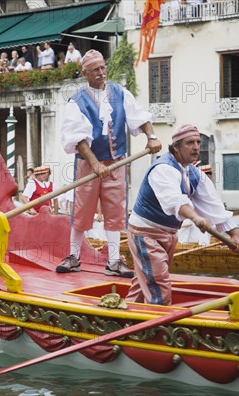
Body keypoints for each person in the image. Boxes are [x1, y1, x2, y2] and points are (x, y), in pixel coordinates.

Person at [56, 49, 162, 277]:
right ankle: (74, 257)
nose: (102, 73)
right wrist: (95, 164)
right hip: (88, 164)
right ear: (85, 73)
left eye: (103, 68)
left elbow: (140, 116)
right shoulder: (77, 102)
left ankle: (114, 261)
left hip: (116, 162)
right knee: (82, 211)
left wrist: (151, 137)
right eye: (96, 70)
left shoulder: (120, 93)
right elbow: (78, 138)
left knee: (115, 211)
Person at [125, 125, 239, 305]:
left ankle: (127, 316)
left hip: (168, 235)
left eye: (198, 142)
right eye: (190, 143)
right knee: (158, 283)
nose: (196, 147)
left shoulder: (194, 173)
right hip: (145, 234)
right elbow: (175, 201)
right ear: (176, 147)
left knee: (144, 280)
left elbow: (215, 206)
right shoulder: (163, 169)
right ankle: (156, 326)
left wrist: (234, 234)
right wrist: (195, 217)